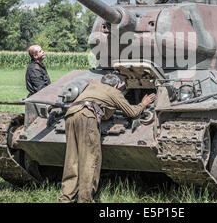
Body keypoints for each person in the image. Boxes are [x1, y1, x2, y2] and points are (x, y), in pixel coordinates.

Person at [59, 73, 156, 203]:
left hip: (71, 114)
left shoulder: (92, 85)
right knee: (90, 160)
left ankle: (66, 199)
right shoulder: (114, 92)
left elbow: (103, 107)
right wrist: (143, 104)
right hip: (87, 116)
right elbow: (132, 112)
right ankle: (85, 199)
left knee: (72, 159)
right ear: (116, 85)